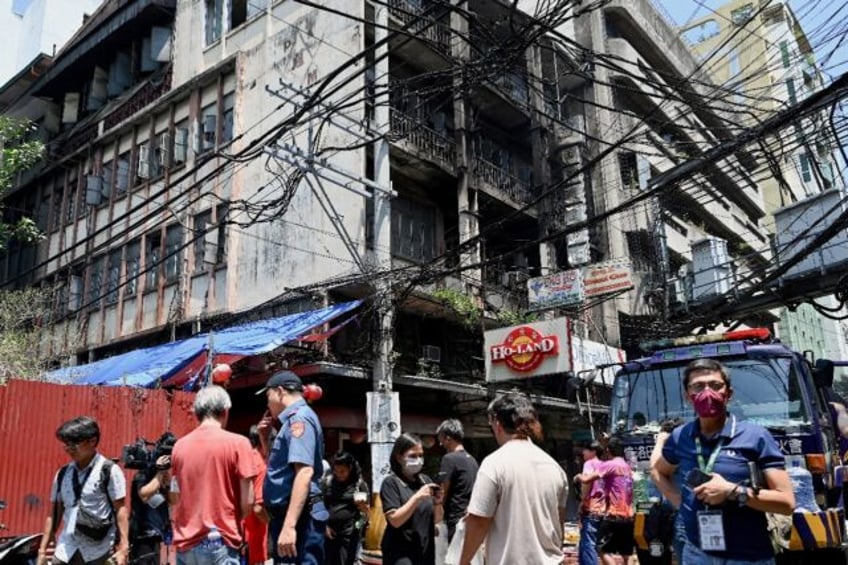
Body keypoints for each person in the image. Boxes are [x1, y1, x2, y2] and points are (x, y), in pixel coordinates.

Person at [651, 358, 795, 564]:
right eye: (698, 386)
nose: (707, 392)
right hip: (697, 553)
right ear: (687, 397)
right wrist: (680, 502)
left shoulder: (756, 437)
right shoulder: (680, 436)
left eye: (715, 385)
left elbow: (786, 503)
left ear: (728, 394)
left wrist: (732, 491)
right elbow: (658, 472)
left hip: (748, 556)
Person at [460, 393, 568, 565]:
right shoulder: (555, 468)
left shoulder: (494, 464)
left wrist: (463, 561)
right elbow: (558, 522)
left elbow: (479, 521)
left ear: (496, 423)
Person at [169, 385, 257, 565]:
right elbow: (248, 502)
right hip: (219, 542)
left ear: (197, 413)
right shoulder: (239, 444)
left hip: (185, 544)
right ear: (225, 411)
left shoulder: (179, 447)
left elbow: (175, 496)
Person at [36, 416, 129, 565]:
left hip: (98, 550)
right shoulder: (62, 474)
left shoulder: (109, 470)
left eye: (74, 444)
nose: (69, 449)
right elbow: (53, 515)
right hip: (66, 548)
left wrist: (123, 548)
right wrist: (42, 550)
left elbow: (121, 510)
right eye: (66, 445)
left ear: (92, 441)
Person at [259, 371, 328, 565]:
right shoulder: (289, 421)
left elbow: (304, 472)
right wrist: (265, 440)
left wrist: (289, 526)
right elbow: (282, 470)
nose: (268, 403)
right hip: (291, 514)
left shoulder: (299, 420)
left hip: (299, 517)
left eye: (268, 396)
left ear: (280, 392)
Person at [380, 433, 442, 565]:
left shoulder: (425, 480)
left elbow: (437, 519)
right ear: (399, 457)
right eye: (413, 456)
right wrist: (417, 498)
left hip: (425, 553)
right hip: (401, 555)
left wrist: (437, 503)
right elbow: (395, 520)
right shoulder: (391, 483)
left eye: (421, 455)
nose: (418, 460)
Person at [130, 432, 177, 565]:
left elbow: (174, 501)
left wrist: (167, 484)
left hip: (159, 536)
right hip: (143, 536)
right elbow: (144, 495)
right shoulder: (143, 473)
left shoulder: (164, 476)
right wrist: (160, 472)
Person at [435, 419, 478, 542]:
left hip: (454, 521)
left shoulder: (449, 459)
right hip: (469, 519)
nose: (441, 444)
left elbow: (442, 491)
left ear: (448, 438)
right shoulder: (472, 461)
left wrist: (436, 519)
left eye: (441, 440)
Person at [322, 451, 369, 565]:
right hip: (330, 531)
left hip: (350, 532)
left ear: (350, 468)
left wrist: (362, 506)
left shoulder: (359, 485)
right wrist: (324, 525)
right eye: (336, 471)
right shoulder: (328, 482)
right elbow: (321, 505)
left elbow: (366, 513)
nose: (339, 474)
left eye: (342, 471)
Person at [595, 438, 634, 565]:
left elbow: (589, 478)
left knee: (602, 549)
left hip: (614, 514)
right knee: (627, 553)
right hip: (628, 516)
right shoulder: (627, 466)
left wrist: (579, 477)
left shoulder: (610, 465)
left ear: (608, 451)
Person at [573, 441, 606, 565]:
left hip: (591, 508)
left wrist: (582, 502)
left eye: (585, 450)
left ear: (593, 452)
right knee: (594, 544)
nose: (583, 452)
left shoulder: (589, 463)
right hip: (603, 509)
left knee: (588, 545)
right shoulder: (605, 465)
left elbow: (587, 484)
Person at [243, 426, 269, 565]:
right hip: (256, 539)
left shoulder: (245, 458)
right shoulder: (259, 463)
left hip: (244, 531)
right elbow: (258, 507)